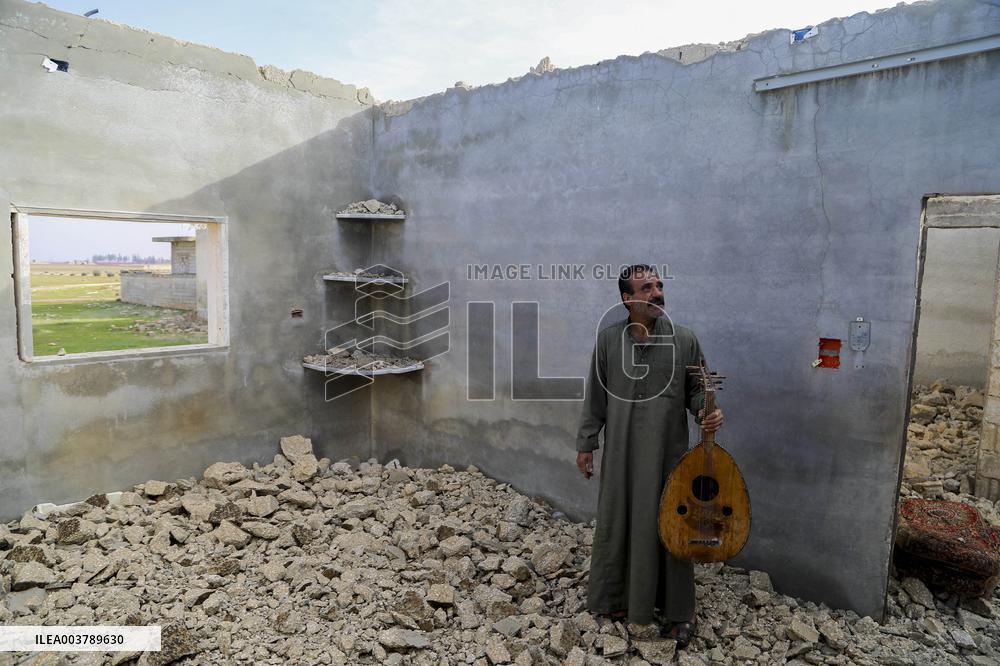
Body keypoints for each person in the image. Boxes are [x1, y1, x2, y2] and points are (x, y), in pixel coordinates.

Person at [575, 264, 723, 646]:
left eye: (659, 285)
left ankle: (678, 612)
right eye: (647, 287)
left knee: (672, 527)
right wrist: (586, 444)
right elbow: (595, 398)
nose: (657, 292)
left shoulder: (685, 340)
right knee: (620, 520)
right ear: (628, 299)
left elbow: (698, 392)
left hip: (666, 455)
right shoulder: (609, 342)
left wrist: (708, 411)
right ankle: (617, 599)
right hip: (622, 454)